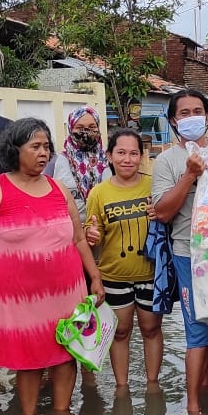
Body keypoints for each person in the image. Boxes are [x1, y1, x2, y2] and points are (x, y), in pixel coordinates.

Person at [0, 118, 104, 415]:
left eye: (47, 147)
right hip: (19, 296)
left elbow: (79, 238)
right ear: (16, 150)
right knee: (29, 356)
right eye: (35, 146)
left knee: (67, 350)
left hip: (65, 290)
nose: (44, 153)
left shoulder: (58, 189)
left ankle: (62, 413)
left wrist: (94, 277)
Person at [151, 88, 208, 415]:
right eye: (184, 113)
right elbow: (162, 212)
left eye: (197, 111)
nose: (192, 118)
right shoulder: (166, 160)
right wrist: (190, 174)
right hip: (189, 252)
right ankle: (192, 408)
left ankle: (204, 388)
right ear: (173, 120)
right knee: (197, 327)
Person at [84, 129, 162, 389]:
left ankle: (153, 387)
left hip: (151, 274)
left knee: (151, 330)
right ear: (109, 156)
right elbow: (91, 232)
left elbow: (170, 218)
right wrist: (91, 234)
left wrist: (160, 214)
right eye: (121, 153)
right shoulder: (98, 193)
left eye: (133, 153)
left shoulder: (154, 185)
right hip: (113, 276)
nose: (127, 159)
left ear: (142, 156)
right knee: (120, 332)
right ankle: (121, 388)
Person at [46, 105, 109, 224]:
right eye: (79, 128)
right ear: (70, 129)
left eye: (92, 127)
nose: (85, 132)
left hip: (108, 232)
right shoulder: (55, 162)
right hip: (71, 234)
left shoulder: (110, 161)